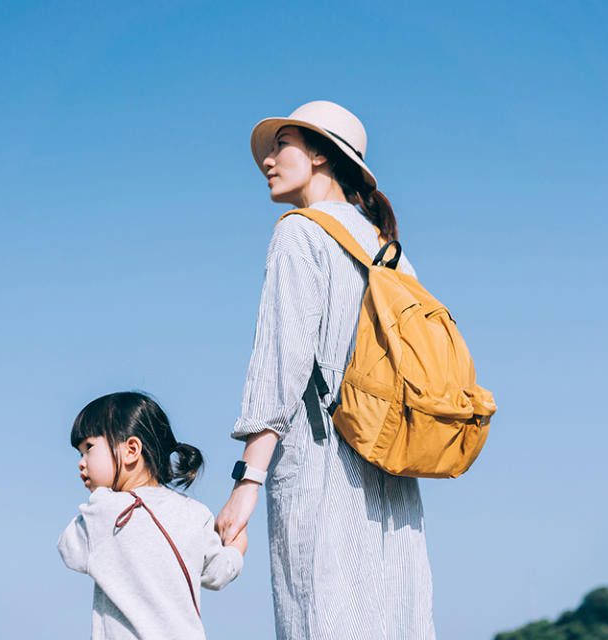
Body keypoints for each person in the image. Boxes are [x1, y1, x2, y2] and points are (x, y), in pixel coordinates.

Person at [215, 101, 436, 639]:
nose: (267, 159)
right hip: (392, 472)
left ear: (319, 153)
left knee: (322, 618)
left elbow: (279, 369)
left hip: (323, 467)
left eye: (281, 144)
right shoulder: (390, 252)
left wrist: (247, 481)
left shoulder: (300, 233)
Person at [58, 391, 246, 640]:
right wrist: (236, 548)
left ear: (132, 449)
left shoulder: (103, 510)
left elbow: (70, 550)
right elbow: (217, 573)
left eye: (88, 448)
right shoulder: (195, 513)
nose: (81, 463)